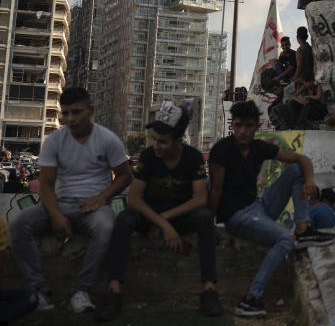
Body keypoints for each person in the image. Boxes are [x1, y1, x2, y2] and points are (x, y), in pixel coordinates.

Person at [10, 87, 132, 314]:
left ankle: (80, 290)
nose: (70, 119)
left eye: (76, 112)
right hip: (60, 202)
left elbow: (125, 175)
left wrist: (102, 197)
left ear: (90, 110)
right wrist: (56, 216)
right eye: (65, 114)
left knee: (107, 227)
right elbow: (45, 184)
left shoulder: (107, 139)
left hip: (93, 207)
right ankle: (39, 291)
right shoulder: (54, 141)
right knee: (19, 224)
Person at [208, 101, 333, 317]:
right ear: (232, 125)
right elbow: (216, 190)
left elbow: (302, 159)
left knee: (296, 169)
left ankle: (303, 228)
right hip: (237, 217)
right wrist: (209, 225)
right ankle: (250, 299)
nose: (243, 131)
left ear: (257, 126)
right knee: (285, 239)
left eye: (248, 126)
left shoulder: (258, 147)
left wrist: (310, 181)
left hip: (259, 206)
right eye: (238, 126)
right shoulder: (222, 150)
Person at [97, 103, 222, 321]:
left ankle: (209, 290)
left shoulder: (192, 158)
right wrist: (162, 225)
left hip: (178, 215)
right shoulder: (147, 156)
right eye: (154, 138)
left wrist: (165, 221)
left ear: (178, 140)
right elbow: (134, 200)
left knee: (204, 219)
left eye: (162, 141)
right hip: (149, 214)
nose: (156, 145)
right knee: (124, 220)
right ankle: (114, 290)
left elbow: (200, 199)